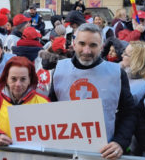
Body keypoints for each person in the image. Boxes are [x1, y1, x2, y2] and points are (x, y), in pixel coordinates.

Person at [49, 23, 137, 159]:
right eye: (82, 44)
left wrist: (119, 142)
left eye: (93, 45)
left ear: (101, 47)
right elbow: (50, 110)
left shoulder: (116, 74)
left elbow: (129, 113)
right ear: (74, 43)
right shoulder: (59, 71)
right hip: (65, 152)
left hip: (103, 153)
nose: (86, 51)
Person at [0, 56, 50, 145]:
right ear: (7, 79)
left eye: (23, 79)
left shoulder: (43, 102)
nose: (18, 84)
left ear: (30, 80)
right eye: (13, 79)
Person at [120, 41, 145, 105]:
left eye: (126, 54)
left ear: (136, 59)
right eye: (124, 52)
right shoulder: (119, 73)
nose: (122, 55)